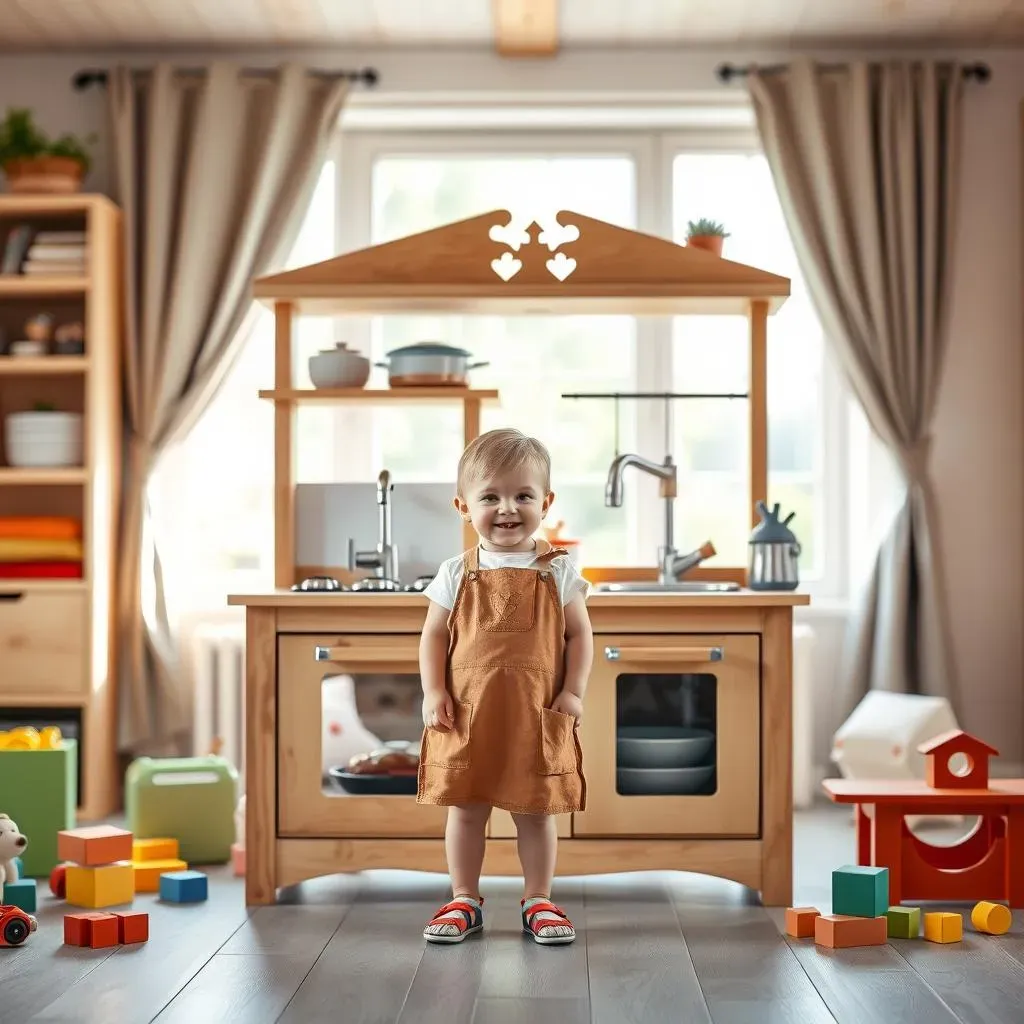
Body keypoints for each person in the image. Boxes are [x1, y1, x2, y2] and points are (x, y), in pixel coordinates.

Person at [416, 427, 592, 945]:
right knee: (466, 808)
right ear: (464, 506)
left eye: (523, 495)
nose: (507, 508)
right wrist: (433, 692)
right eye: (490, 496)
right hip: (467, 714)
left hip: (535, 714)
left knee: (534, 811)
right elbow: (432, 636)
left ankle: (539, 899)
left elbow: (580, 634)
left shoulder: (559, 570)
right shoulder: (455, 572)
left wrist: (573, 691)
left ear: (547, 502)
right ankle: (463, 899)